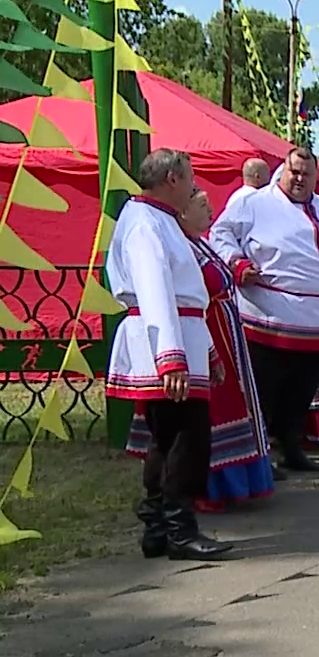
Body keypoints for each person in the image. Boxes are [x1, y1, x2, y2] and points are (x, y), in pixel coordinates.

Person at [209, 147, 319, 473]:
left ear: (315, 177)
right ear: (281, 170)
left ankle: (290, 445)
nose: (299, 178)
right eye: (293, 171)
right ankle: (261, 454)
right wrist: (236, 263)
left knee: (303, 389)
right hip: (268, 315)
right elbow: (220, 233)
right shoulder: (253, 203)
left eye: (306, 174)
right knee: (266, 388)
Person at [105, 149, 232, 560]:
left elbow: (187, 290)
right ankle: (179, 528)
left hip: (181, 335)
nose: (195, 185)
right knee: (184, 438)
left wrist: (206, 350)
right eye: (191, 176)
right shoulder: (145, 223)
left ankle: (159, 527)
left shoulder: (161, 221)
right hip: (163, 338)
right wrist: (171, 357)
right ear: (173, 178)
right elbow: (155, 287)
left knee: (165, 438)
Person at [125, 190, 276, 512]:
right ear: (182, 212)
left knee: (221, 408)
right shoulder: (176, 245)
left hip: (215, 333)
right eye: (202, 206)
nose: (210, 211)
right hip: (197, 334)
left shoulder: (198, 242)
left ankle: (210, 491)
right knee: (201, 417)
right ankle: (198, 493)